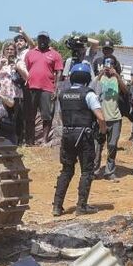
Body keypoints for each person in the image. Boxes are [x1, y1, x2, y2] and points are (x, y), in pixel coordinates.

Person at [53, 63, 106, 217]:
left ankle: (57, 206)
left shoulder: (63, 94)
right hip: (84, 136)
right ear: (88, 78)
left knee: (66, 170)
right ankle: (81, 206)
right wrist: (102, 133)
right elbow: (101, 118)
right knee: (87, 171)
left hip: (67, 134)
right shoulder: (89, 94)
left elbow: (61, 116)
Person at [23, 31, 63, 145]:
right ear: (37, 40)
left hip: (48, 88)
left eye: (44, 39)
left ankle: (44, 140)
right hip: (31, 88)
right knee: (30, 116)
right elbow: (27, 69)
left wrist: (56, 88)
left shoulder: (55, 54)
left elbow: (59, 72)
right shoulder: (30, 53)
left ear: (48, 40)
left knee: (47, 115)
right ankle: (30, 141)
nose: (42, 41)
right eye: (40, 38)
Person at [92, 56, 127, 181]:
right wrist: (100, 74)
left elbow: (125, 90)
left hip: (115, 117)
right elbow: (91, 87)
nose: (109, 67)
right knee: (97, 145)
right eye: (107, 64)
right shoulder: (99, 78)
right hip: (100, 118)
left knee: (112, 145)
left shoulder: (117, 78)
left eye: (111, 64)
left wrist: (117, 76)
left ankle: (109, 171)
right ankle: (95, 170)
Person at [0, 42, 22, 143]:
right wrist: (1, 65)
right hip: (1, 92)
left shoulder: (18, 61)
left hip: (15, 93)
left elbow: (25, 76)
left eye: (12, 49)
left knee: (15, 118)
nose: (9, 51)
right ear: (3, 51)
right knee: (2, 117)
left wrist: (17, 67)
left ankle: (15, 140)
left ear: (15, 51)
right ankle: (1, 137)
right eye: (7, 49)